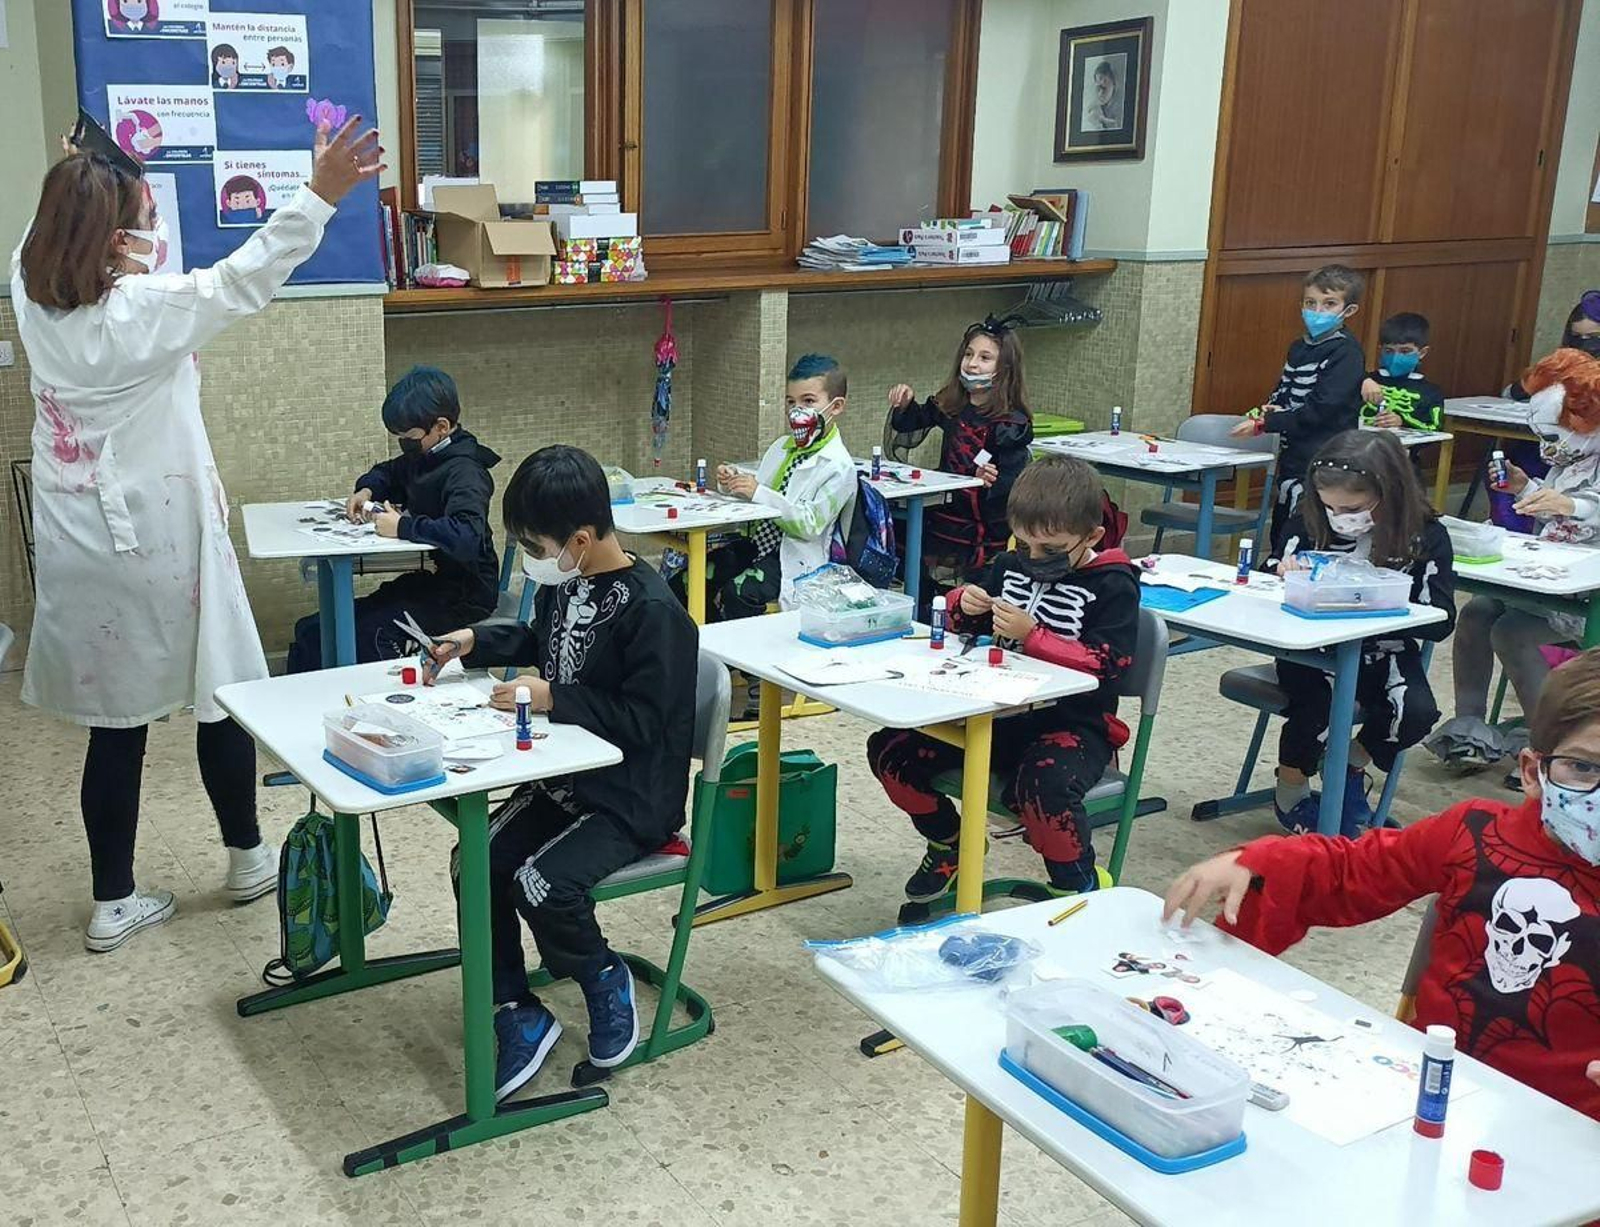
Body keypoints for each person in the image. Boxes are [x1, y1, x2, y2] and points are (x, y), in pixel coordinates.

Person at [13, 116, 383, 952]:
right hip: (164, 538)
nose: (152, 233)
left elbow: (54, 228)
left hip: (78, 541)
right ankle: (246, 856)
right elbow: (241, 279)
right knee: (220, 689)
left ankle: (113, 899)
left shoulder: (29, 291)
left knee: (120, 721)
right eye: (142, 221)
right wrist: (319, 194)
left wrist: (85, 169)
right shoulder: (141, 313)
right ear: (113, 241)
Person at [1164, 648, 1600, 1124]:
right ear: (1531, 771)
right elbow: (1356, 872)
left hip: (1572, 1140)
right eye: (1583, 768)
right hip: (1429, 1100)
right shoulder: (1474, 831)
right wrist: (1259, 861)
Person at [424, 445, 697, 1101]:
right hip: (562, 780)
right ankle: (517, 1006)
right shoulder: (566, 584)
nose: (530, 557)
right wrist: (473, 640)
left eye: (534, 544)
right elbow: (536, 644)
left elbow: (647, 720)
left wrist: (553, 698)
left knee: (541, 882)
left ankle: (603, 978)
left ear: (578, 537)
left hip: (630, 799)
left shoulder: (654, 612)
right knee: (476, 859)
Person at [867, 454, 1139, 900]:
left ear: (1092, 536)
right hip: (996, 713)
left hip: (1073, 726)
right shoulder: (1011, 565)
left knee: (1042, 786)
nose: (1034, 559)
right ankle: (951, 844)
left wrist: (1034, 636)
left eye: (1050, 551)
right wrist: (962, 602)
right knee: (890, 750)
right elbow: (968, 626)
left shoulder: (1113, 584)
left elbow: (1110, 665)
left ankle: (1078, 884)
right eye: (1024, 544)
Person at [1265, 430, 1455, 836]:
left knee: (1415, 711)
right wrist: (1282, 573)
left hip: (1383, 649)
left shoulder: (1425, 535)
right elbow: (1265, 578)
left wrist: (1393, 600)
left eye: (1352, 507)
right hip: (1310, 648)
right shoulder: (1306, 521)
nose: (1339, 515)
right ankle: (1291, 788)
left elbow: (1442, 619)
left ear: (1389, 492)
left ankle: (1347, 769)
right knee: (1316, 708)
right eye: (1329, 505)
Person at [1429, 350, 1600, 773]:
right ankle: (1469, 728)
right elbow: (1554, 508)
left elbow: (1584, 508)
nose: (1550, 448)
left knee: (1511, 631)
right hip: (1554, 582)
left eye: (1557, 435)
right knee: (1474, 614)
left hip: (1588, 595)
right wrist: (1528, 488)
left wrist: (1574, 504)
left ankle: (1553, 747)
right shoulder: (1574, 459)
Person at [285, 365, 502, 673]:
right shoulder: (427, 457)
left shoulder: (466, 471)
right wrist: (366, 489)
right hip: (434, 582)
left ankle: (365, 700)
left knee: (369, 634)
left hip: (466, 595)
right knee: (313, 630)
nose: (406, 445)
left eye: (409, 437)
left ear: (441, 426)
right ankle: (303, 705)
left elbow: (467, 535)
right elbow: (389, 472)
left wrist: (402, 527)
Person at [885, 315, 1034, 598]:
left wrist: (986, 479)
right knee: (896, 528)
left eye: (985, 358)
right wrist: (905, 405)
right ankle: (924, 601)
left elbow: (1012, 482)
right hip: (946, 506)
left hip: (983, 521)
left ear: (1004, 370)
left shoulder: (1010, 424)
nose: (973, 363)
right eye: (968, 354)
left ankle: (950, 606)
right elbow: (909, 424)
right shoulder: (951, 405)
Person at [1233, 264, 1366, 545]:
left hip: (1327, 455)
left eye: (1329, 304)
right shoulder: (1299, 347)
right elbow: (1284, 390)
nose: (1317, 311)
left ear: (1348, 310)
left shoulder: (1346, 352)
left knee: (1310, 527)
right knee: (1283, 521)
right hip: (1293, 453)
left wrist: (1268, 423)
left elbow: (1322, 409)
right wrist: (1267, 410)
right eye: (1310, 303)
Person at [1360, 311, 1445, 432]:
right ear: (1381, 350)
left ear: (1422, 353)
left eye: (1405, 351)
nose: (1396, 357)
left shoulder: (1431, 393)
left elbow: (1435, 427)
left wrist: (1403, 422)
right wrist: (1363, 379)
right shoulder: (1365, 381)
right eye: (1389, 351)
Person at [1082, 59, 1122, 130]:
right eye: (1098, 87)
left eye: (1104, 81)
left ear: (1114, 83)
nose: (1100, 93)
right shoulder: (1094, 107)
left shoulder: (1119, 108)